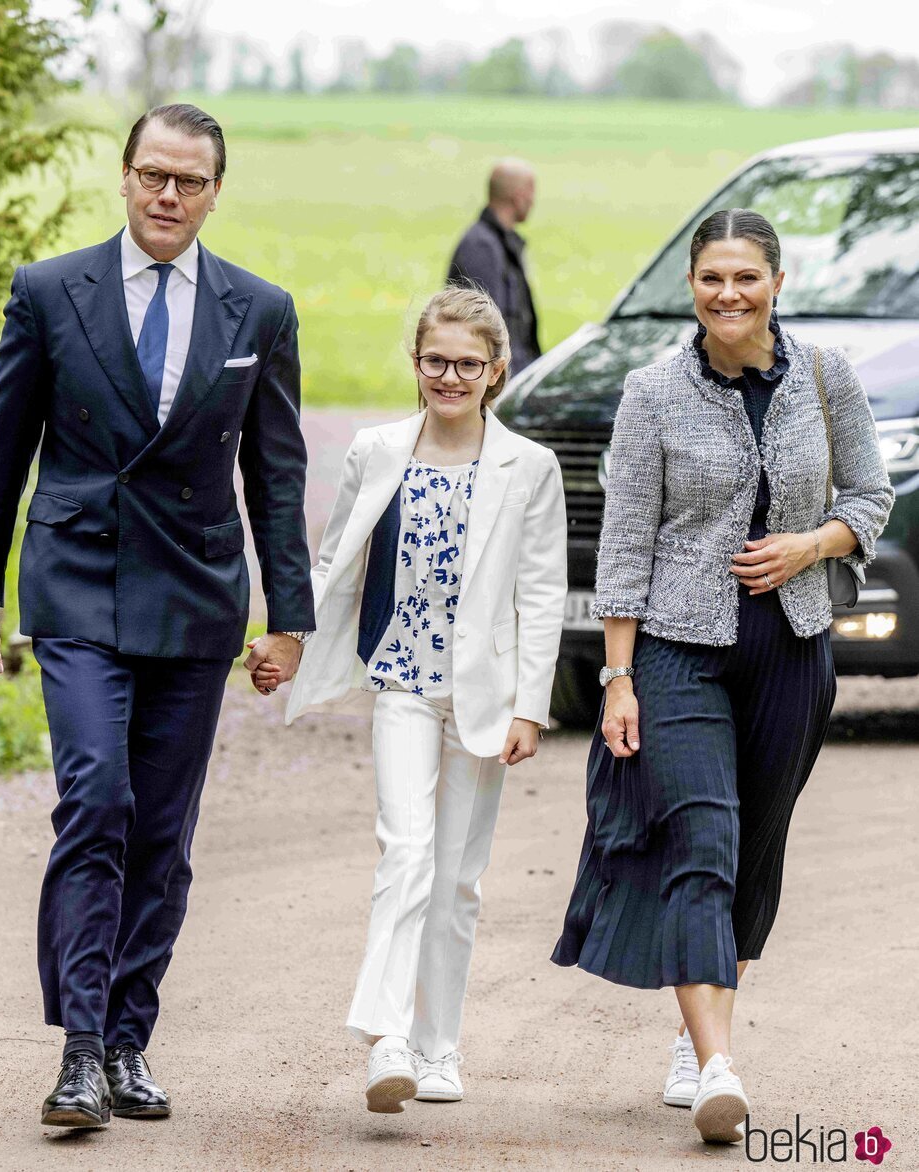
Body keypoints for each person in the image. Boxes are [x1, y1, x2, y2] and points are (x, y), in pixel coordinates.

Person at [0, 103, 315, 1129]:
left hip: (197, 594)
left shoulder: (259, 309)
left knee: (162, 829)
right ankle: (75, 1050)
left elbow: (277, 477)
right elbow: (2, 454)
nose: (167, 195)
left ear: (213, 192)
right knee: (96, 798)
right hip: (75, 580)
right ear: (123, 176)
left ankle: (126, 1038)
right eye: (152, 174)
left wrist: (287, 615)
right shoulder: (48, 290)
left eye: (189, 181)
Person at [551, 209, 892, 1144]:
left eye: (746, 277)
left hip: (793, 644)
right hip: (677, 649)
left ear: (776, 282)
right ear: (692, 286)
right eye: (712, 279)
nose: (729, 294)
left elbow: (871, 496)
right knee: (701, 834)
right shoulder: (653, 391)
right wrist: (617, 679)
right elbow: (623, 546)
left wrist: (810, 546)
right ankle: (714, 1065)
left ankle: (700, 1016)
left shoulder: (825, 377)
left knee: (755, 847)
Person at [279, 287, 567, 1113]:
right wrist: (291, 646)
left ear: (495, 371)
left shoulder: (528, 467)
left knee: (457, 879)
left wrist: (530, 707)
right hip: (401, 682)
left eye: (467, 364)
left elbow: (543, 592)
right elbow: (334, 566)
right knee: (403, 851)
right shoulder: (377, 451)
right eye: (436, 360)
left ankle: (440, 1049)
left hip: (482, 696)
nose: (450, 376)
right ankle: (388, 1040)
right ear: (415, 363)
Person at [447, 159, 541, 376]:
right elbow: (486, 328)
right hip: (499, 381)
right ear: (518, 196)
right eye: (531, 192)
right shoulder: (481, 247)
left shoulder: (500, 244)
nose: (533, 201)